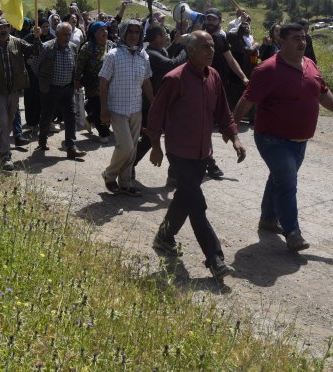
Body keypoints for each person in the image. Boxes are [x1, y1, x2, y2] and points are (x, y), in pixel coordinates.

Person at [233, 23, 333, 252]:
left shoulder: (309, 64)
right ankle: (292, 231)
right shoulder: (267, 69)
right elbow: (246, 100)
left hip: (300, 141)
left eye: (304, 38)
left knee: (280, 179)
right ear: (282, 41)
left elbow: (322, 91)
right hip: (272, 139)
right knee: (287, 183)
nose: (302, 42)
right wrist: (233, 131)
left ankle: (269, 220)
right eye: (296, 39)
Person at [146, 30, 246, 279]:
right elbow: (155, 114)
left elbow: (224, 111)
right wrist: (156, 146)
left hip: (203, 152)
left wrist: (234, 137)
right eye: (205, 47)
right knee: (197, 204)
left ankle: (164, 237)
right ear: (190, 51)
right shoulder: (175, 79)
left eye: (212, 46)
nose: (211, 51)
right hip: (179, 152)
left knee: (184, 199)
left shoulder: (214, 76)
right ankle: (215, 259)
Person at [99, 20, 154, 196]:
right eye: (130, 31)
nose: (133, 35)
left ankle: (126, 182)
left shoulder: (143, 56)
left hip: (136, 108)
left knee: (133, 150)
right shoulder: (113, 55)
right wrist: (104, 108)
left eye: (137, 32)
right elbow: (103, 82)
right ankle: (109, 175)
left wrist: (153, 103)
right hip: (117, 109)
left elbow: (146, 81)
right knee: (126, 146)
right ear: (123, 33)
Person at [0, 17, 41, 171]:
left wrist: (37, 37)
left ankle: (2, 144)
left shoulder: (17, 42)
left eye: (5, 26)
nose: (3, 30)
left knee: (8, 122)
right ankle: (5, 155)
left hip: (14, 91)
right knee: (2, 122)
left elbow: (36, 50)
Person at [133, 24, 187, 177]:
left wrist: (177, 44)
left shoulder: (157, 51)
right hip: (152, 103)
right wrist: (186, 48)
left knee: (157, 137)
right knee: (151, 137)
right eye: (164, 35)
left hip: (159, 103)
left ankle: (173, 172)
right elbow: (172, 64)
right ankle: (130, 164)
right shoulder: (150, 53)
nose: (167, 37)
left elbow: (167, 54)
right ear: (157, 37)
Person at [202, 8, 248, 179]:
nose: (210, 21)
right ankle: (210, 163)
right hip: (198, 86)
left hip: (215, 87)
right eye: (208, 18)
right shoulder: (197, 36)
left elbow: (231, 60)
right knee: (204, 125)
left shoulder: (221, 39)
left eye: (213, 19)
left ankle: (206, 162)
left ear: (220, 21)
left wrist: (243, 77)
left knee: (208, 124)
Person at [32, 22, 86, 159]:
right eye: (64, 34)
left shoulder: (73, 48)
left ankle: (71, 147)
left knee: (70, 118)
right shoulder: (47, 47)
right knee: (46, 116)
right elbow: (35, 66)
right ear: (57, 34)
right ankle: (42, 140)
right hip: (50, 89)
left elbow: (75, 66)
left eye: (69, 34)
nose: (67, 37)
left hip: (67, 89)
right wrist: (44, 80)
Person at [75, 21, 114, 143]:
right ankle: (103, 133)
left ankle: (90, 119)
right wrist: (76, 80)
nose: (104, 32)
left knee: (109, 107)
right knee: (98, 107)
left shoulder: (111, 45)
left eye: (105, 30)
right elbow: (79, 65)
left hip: (109, 83)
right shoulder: (87, 47)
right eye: (101, 30)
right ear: (94, 33)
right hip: (92, 84)